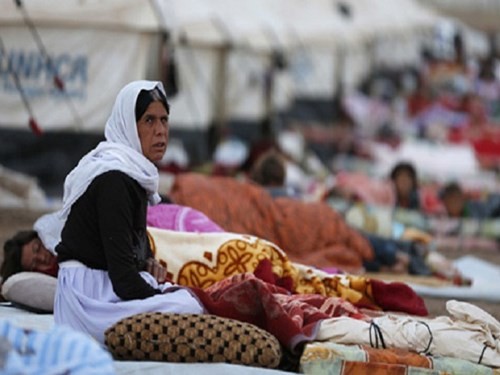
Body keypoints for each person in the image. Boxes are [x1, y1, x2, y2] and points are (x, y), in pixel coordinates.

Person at [48, 80, 204, 344]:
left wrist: (147, 262)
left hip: (102, 286)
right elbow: (123, 280)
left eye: (164, 121)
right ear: (129, 126)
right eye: (149, 121)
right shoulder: (114, 179)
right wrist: (161, 296)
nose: (160, 131)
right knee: (188, 306)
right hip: (88, 298)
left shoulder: (133, 174)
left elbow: (130, 252)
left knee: (185, 299)